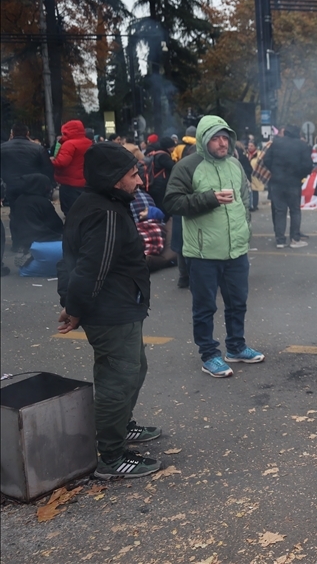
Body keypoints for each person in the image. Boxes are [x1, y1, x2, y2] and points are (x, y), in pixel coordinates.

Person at [57, 142, 162, 478]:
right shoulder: (106, 213)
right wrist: (74, 307)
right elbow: (92, 268)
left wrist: (70, 302)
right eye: (133, 175)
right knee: (117, 379)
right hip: (111, 312)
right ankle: (111, 457)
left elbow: (71, 261)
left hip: (118, 308)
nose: (139, 182)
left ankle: (121, 425)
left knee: (134, 369)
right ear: (115, 180)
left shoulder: (97, 203)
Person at [164, 116, 264, 378]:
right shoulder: (187, 166)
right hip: (203, 252)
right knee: (205, 306)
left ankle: (236, 347)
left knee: (237, 302)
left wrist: (246, 230)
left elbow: (243, 199)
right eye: (216, 138)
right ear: (204, 140)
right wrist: (209, 199)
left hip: (236, 250)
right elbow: (172, 203)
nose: (222, 143)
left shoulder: (234, 164)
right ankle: (209, 354)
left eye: (225, 137)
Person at [262, 124, 313, 249]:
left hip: (276, 181)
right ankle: (295, 239)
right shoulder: (302, 145)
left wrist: (275, 171)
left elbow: (266, 160)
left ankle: (280, 240)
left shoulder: (276, 143)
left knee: (280, 211)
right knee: (295, 210)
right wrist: (299, 175)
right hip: (293, 182)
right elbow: (308, 165)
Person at [9, 173, 63, 260]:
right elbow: (56, 224)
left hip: (23, 238)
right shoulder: (42, 202)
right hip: (41, 237)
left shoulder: (19, 200)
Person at [1, 124, 53, 204]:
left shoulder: (2, 148)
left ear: (12, 134)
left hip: (10, 185)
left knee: (14, 207)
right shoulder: (38, 148)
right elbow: (47, 168)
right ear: (27, 133)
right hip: (33, 185)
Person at [51, 119, 93, 215]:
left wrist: (52, 161)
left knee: (70, 211)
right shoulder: (88, 142)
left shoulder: (69, 144)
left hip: (69, 183)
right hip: (85, 181)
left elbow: (62, 163)